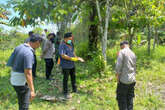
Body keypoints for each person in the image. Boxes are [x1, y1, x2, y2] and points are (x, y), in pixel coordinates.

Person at [6, 34, 42, 110]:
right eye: (40, 44)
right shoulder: (28, 53)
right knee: (24, 105)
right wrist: (32, 90)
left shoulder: (19, 47)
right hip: (21, 82)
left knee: (21, 101)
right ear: (37, 42)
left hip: (14, 78)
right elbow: (28, 73)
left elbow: (11, 63)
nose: (39, 46)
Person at [59, 32, 84, 99]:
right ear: (65, 38)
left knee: (73, 77)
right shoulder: (62, 45)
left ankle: (74, 89)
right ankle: (65, 92)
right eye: (70, 38)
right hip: (65, 65)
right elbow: (62, 55)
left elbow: (73, 52)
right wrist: (72, 58)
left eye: (72, 38)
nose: (71, 40)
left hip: (72, 64)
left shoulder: (71, 43)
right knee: (66, 78)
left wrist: (77, 58)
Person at [115, 41, 136, 110]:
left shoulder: (122, 52)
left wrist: (117, 78)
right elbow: (134, 67)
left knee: (121, 100)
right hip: (132, 80)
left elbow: (118, 66)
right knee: (130, 99)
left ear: (122, 46)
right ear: (128, 45)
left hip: (123, 81)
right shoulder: (133, 53)